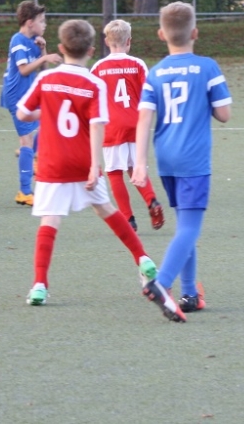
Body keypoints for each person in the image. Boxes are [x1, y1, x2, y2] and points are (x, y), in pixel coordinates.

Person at [15, 19, 158, 307]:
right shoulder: (94, 83)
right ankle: (143, 259)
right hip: (82, 162)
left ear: (60, 48)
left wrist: (46, 112)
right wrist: (94, 165)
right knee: (106, 210)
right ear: (91, 50)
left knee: (50, 221)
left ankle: (40, 285)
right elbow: (96, 125)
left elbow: (22, 114)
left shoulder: (46, 79)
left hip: (53, 163)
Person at [133, 2, 232, 322]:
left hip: (166, 157)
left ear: (161, 34)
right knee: (190, 228)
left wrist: (139, 163)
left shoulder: (155, 72)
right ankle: (161, 284)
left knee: (183, 224)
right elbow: (224, 114)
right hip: (193, 158)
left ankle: (189, 293)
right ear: (195, 33)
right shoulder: (207, 67)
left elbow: (144, 119)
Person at [90, 19, 165, 232]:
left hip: (111, 126)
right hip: (136, 124)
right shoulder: (138, 64)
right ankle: (151, 200)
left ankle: (128, 218)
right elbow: (149, 92)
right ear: (129, 41)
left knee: (115, 172)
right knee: (136, 167)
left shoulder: (98, 67)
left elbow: (91, 96)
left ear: (106, 41)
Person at [0, 1, 61, 206]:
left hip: (28, 94)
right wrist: (46, 57)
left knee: (48, 120)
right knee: (26, 141)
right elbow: (24, 70)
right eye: (41, 21)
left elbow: (43, 70)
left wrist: (43, 51)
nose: (44, 25)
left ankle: (29, 154)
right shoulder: (18, 40)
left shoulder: (33, 41)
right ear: (29, 23)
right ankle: (24, 192)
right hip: (16, 96)